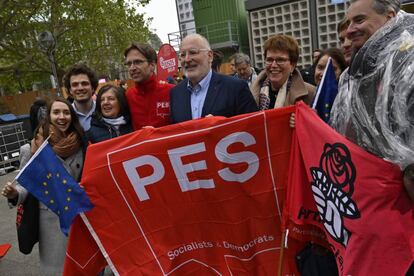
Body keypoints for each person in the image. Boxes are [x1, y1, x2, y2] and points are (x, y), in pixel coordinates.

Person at [330, 0, 414, 201]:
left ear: (390, 17)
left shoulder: (408, 66)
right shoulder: (352, 76)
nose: (350, 30)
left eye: (359, 20)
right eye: (348, 22)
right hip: (367, 198)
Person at [2, 98, 86, 275]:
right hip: (49, 221)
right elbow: (26, 184)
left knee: (83, 266)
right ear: (48, 116)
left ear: (72, 116)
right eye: (56, 112)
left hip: (79, 216)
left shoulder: (82, 144)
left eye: (66, 112)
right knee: (56, 270)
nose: (61, 117)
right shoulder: (33, 147)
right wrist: (13, 193)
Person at [169, 33, 258, 124]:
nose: (187, 59)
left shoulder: (236, 88)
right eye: (183, 55)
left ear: (210, 56)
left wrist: (222, 127)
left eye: (193, 52)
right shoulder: (175, 93)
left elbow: (254, 127)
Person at [251, 34, 315, 109]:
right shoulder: (250, 93)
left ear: (292, 65)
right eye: (269, 60)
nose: (273, 65)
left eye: (280, 60)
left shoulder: (310, 94)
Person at [124, 42, 174, 130]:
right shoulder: (128, 96)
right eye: (129, 64)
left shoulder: (172, 92)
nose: (132, 68)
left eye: (138, 62)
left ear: (152, 65)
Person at [63, 64, 99, 131]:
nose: (80, 88)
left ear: (93, 88)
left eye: (84, 83)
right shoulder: (64, 117)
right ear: (70, 90)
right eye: (75, 85)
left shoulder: (104, 111)